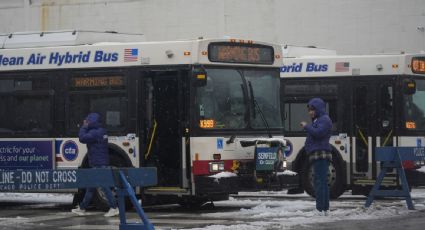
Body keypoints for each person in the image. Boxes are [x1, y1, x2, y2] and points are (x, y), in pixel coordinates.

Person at [71, 113, 119, 217]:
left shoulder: (94, 133)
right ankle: (82, 208)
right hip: (101, 162)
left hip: (98, 163)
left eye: (87, 121)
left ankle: (114, 207)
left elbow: (82, 138)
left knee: (104, 186)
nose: (86, 123)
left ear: (91, 122)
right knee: (91, 187)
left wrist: (84, 127)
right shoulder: (102, 131)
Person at [300, 98, 333, 216]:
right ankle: (324, 208)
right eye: (309, 110)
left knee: (319, 181)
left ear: (318, 109)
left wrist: (306, 126)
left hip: (320, 154)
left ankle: (321, 209)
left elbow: (318, 133)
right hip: (317, 154)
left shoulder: (324, 120)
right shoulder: (320, 119)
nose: (310, 112)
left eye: (312, 110)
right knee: (321, 181)